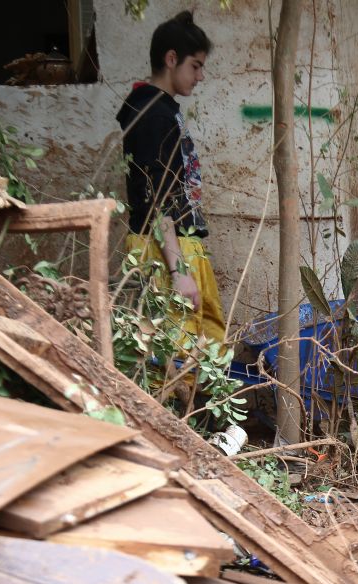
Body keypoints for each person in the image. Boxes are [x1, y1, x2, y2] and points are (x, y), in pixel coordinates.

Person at [116, 10, 226, 344]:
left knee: (205, 350)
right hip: (164, 251)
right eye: (195, 65)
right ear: (171, 58)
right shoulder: (152, 114)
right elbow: (157, 199)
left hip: (172, 247)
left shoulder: (157, 109)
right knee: (180, 360)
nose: (200, 76)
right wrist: (178, 272)